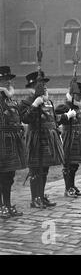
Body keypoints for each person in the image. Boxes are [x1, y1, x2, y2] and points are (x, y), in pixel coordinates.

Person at [21, 71, 64, 209]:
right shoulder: (27, 102)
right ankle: (35, 198)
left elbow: (52, 119)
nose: (44, 86)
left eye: (45, 84)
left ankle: (42, 195)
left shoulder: (48, 101)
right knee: (35, 169)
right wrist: (34, 105)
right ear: (33, 85)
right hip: (35, 138)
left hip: (48, 138)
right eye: (41, 84)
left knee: (44, 168)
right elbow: (26, 119)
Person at [0, 66, 26, 218]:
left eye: (9, 79)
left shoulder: (11, 100)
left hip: (12, 140)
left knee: (9, 176)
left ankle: (8, 204)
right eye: (5, 79)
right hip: (2, 140)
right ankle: (1, 206)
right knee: (2, 174)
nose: (9, 82)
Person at [55, 81, 81, 198]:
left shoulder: (77, 106)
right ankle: (67, 188)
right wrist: (67, 116)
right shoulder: (65, 106)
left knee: (74, 164)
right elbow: (56, 119)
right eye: (79, 94)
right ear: (73, 94)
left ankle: (72, 186)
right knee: (68, 164)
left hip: (77, 136)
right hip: (69, 137)